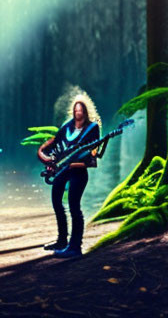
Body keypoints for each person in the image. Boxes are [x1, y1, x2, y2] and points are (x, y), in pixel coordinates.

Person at [37, 93, 108, 259]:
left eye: (81, 110)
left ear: (85, 111)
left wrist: (76, 162)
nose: (78, 113)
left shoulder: (92, 128)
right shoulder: (67, 126)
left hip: (78, 171)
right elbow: (53, 145)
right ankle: (62, 241)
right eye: (76, 110)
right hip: (62, 170)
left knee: (74, 207)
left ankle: (75, 246)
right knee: (56, 202)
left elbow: (93, 154)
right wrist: (49, 159)